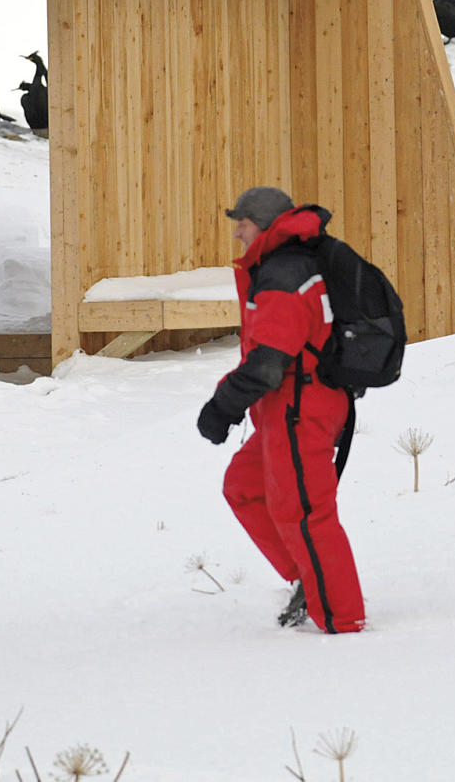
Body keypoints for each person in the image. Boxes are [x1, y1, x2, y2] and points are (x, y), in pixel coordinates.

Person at [197, 187, 366, 634]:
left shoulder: (284, 275)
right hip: (288, 408)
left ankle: (342, 621)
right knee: (244, 487)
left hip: (300, 408)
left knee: (308, 514)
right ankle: (310, 583)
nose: (237, 231)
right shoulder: (284, 266)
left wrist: (222, 406)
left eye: (244, 222)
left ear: (267, 224)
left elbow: (269, 361)